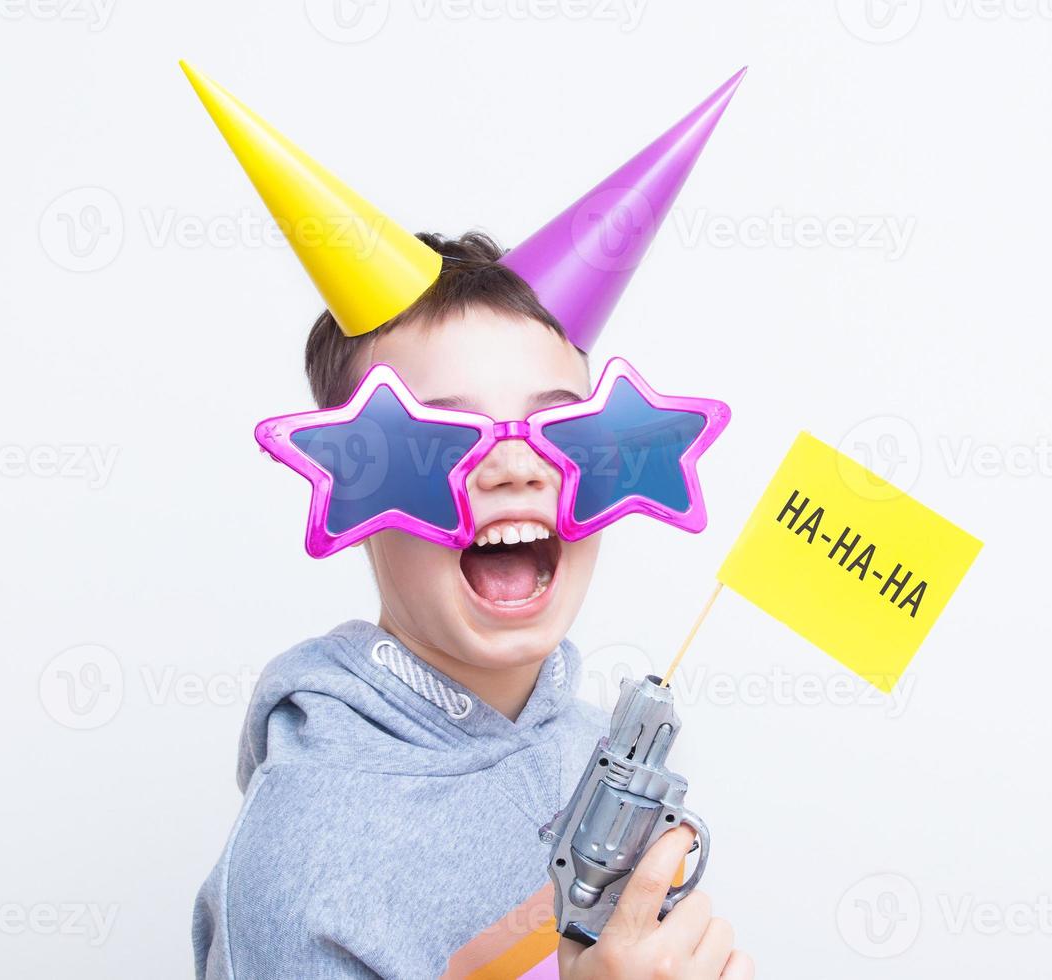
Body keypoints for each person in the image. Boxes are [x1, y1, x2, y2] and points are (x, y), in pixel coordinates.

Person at [181, 64, 752, 979]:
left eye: (559, 425)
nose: (515, 463)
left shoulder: (595, 748)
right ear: (347, 490)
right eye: (439, 436)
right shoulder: (302, 854)